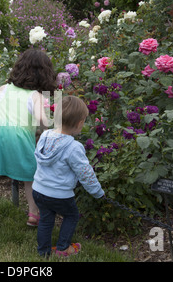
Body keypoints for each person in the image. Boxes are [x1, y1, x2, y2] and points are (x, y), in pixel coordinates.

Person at [0, 48, 56, 226]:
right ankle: (33, 214)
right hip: (19, 136)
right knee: (30, 175)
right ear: (44, 75)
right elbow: (42, 119)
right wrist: (45, 131)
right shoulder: (36, 96)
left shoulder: (5, 88)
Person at [32, 96, 105, 257]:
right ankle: (63, 247)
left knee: (45, 218)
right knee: (71, 216)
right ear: (79, 123)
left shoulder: (45, 136)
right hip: (59, 194)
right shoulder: (74, 147)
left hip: (38, 190)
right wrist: (97, 192)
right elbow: (85, 173)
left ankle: (43, 251)